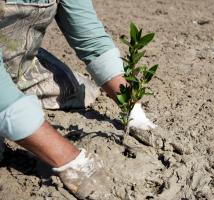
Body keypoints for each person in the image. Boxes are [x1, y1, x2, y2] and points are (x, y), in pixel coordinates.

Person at [0, 0, 129, 199]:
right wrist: (71, 161)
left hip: (18, 62)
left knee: (76, 90)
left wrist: (132, 106)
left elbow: (90, 37)